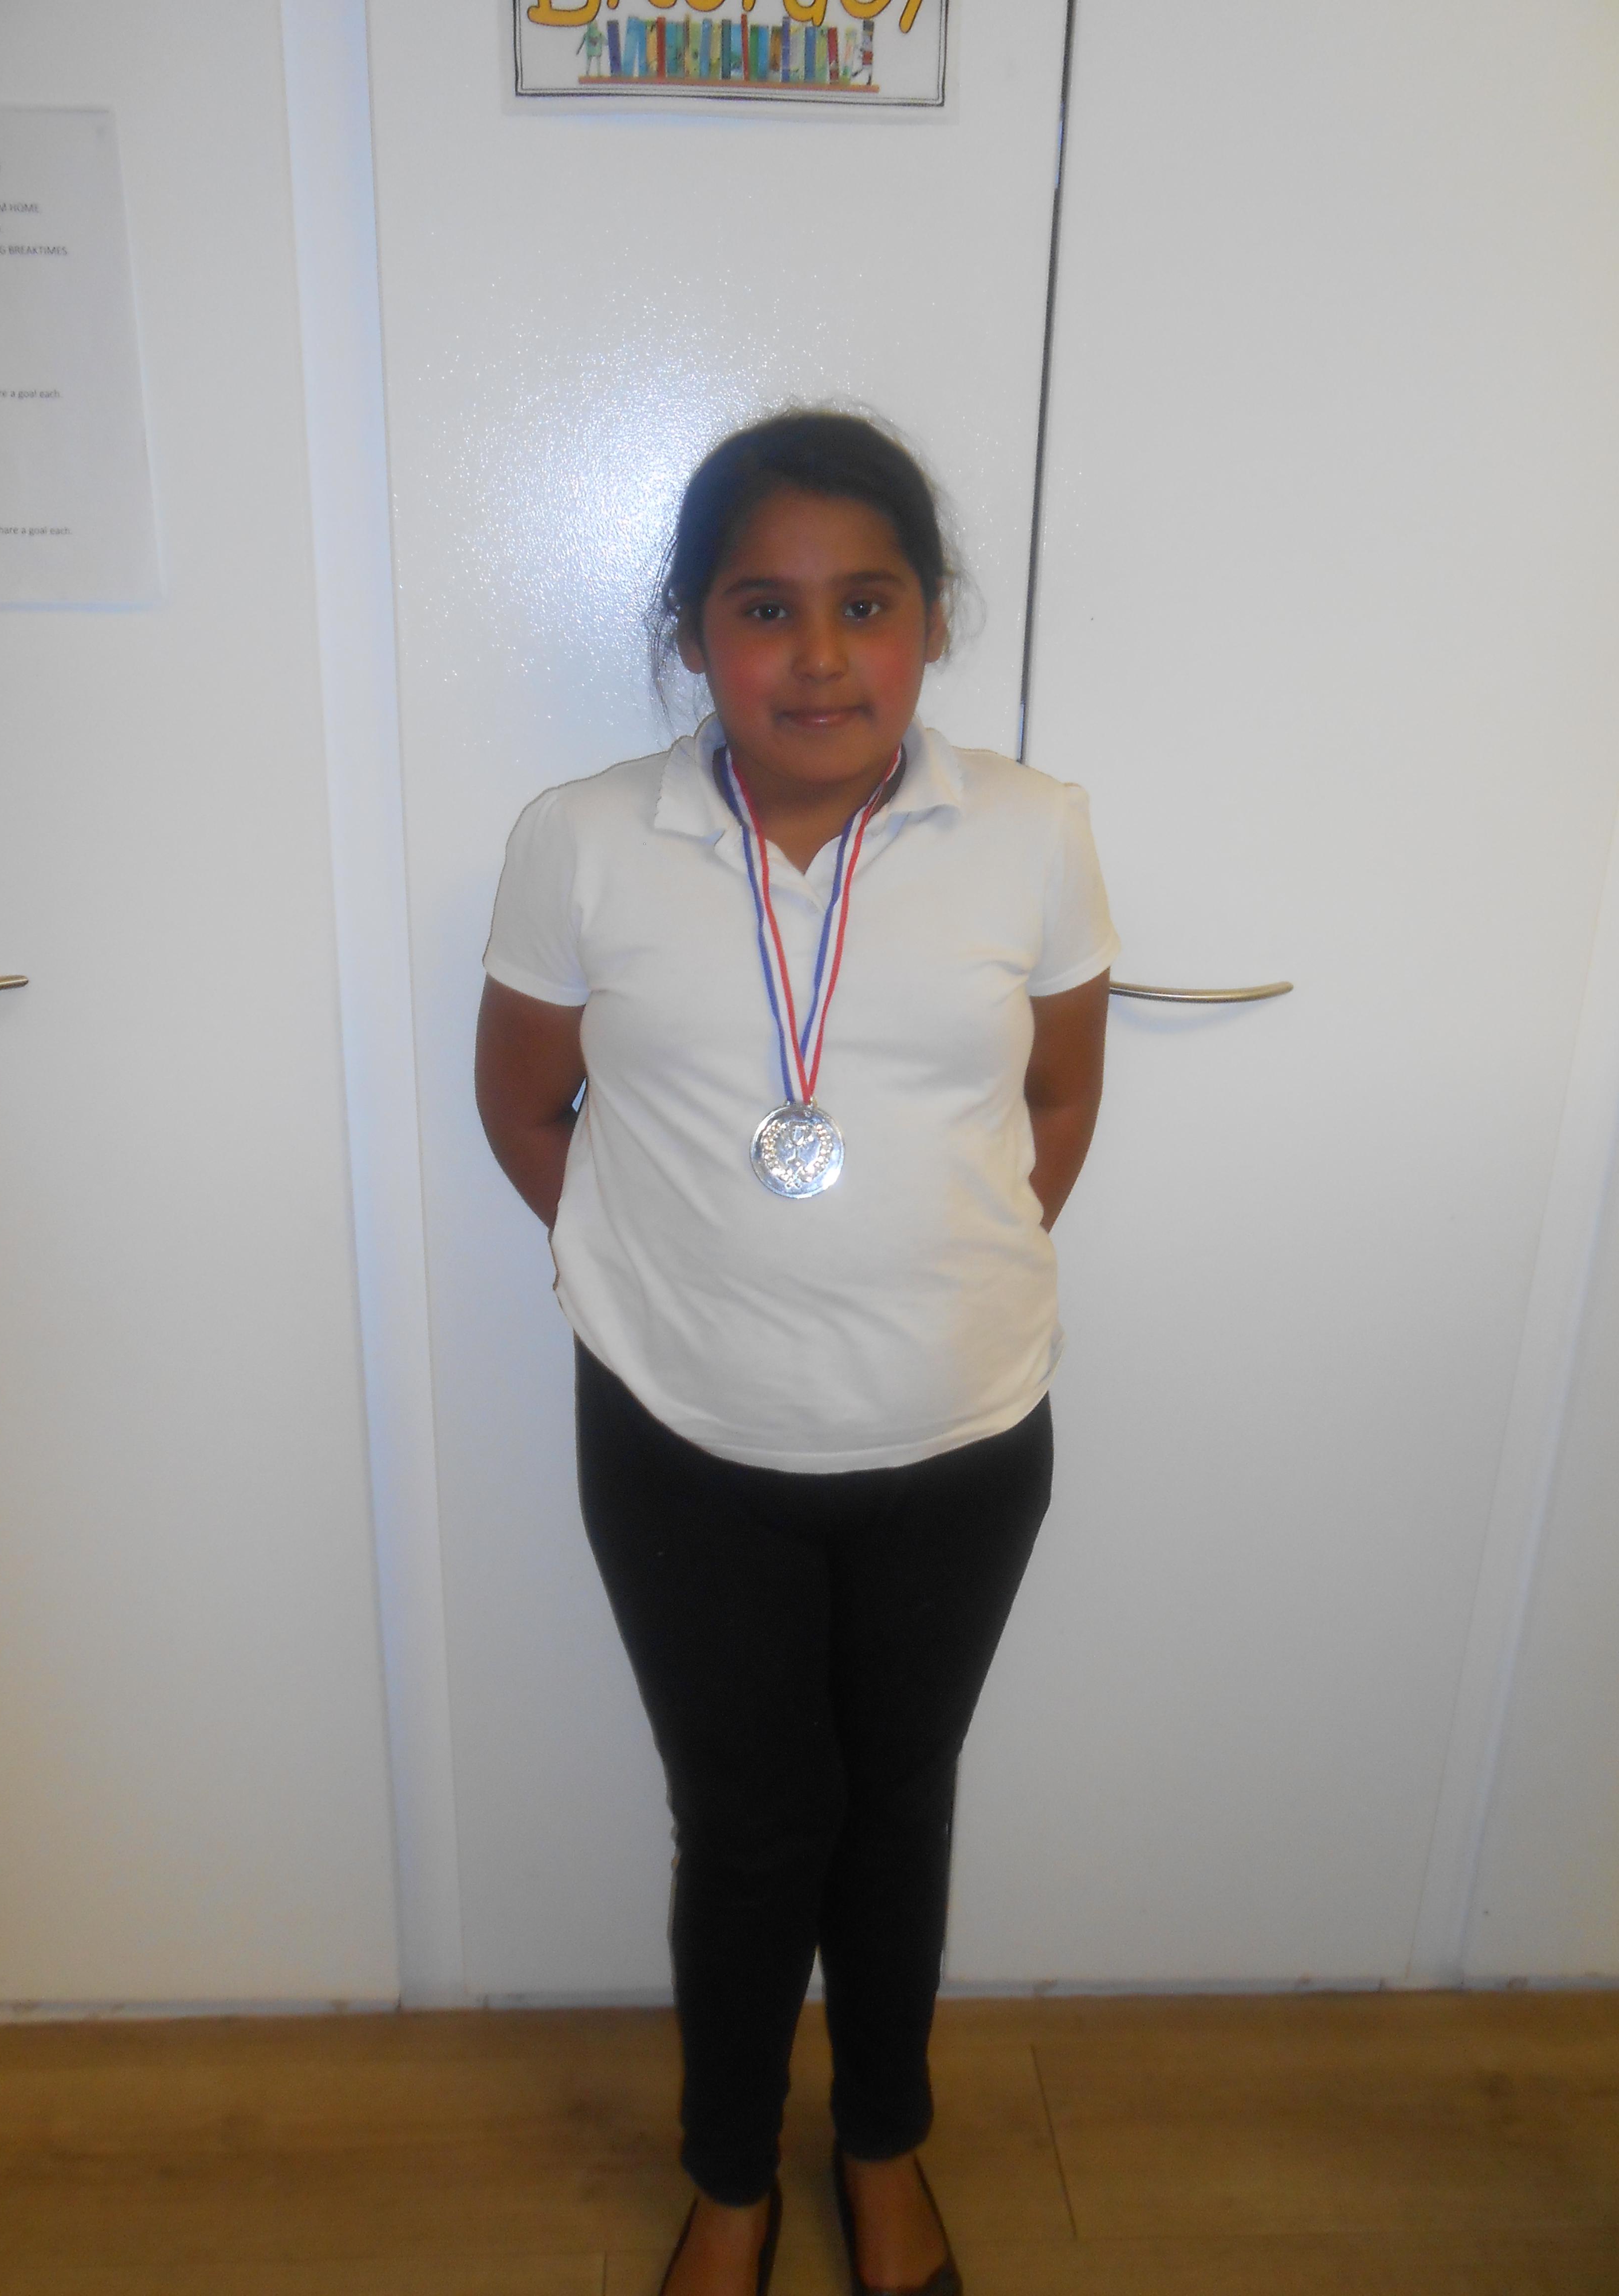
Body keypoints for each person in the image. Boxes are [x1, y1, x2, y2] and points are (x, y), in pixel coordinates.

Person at [476, 412, 1118, 2296]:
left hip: (964, 1439)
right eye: (765, 608)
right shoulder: (583, 840)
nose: (820, 656)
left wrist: (937, 1278)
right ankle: (734, 2177)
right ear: (693, 631)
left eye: (868, 603)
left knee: (900, 1811)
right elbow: (523, 1105)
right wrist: (670, 1281)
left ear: (932, 623)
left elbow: (1061, 1099)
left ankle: (885, 2148)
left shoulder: (1033, 831)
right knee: (750, 1831)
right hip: (683, 1443)